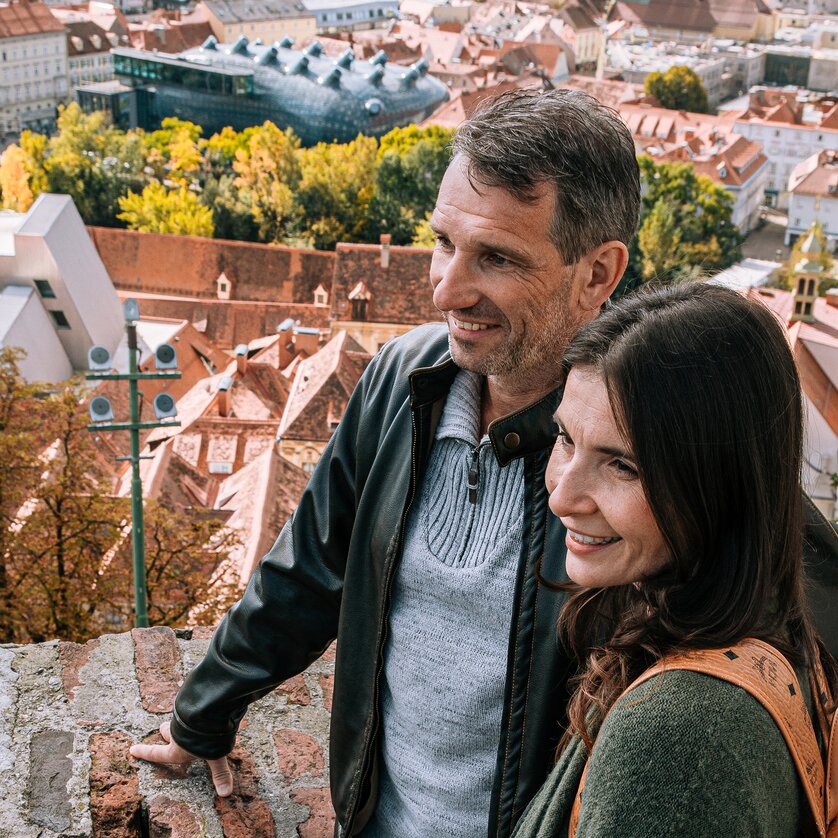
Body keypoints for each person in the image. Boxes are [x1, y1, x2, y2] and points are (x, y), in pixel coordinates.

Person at [129, 90, 838, 837]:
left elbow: (798, 596)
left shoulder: (658, 447)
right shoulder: (403, 382)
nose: (445, 287)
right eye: (443, 242)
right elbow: (309, 569)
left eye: (495, 258)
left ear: (597, 274)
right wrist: (200, 717)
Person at [513, 282, 838, 837]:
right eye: (565, 438)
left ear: (721, 485)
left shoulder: (680, 740)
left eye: (622, 466)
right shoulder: (777, 632)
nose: (562, 496)